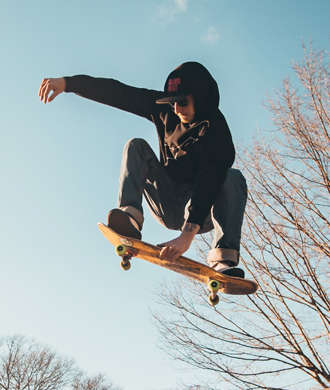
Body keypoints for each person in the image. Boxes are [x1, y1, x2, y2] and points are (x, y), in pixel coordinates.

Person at [39, 62, 247, 277]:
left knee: (232, 178)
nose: (176, 109)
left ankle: (223, 261)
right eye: (172, 102)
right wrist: (69, 83)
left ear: (201, 96)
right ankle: (131, 217)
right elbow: (120, 93)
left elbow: (209, 183)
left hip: (198, 208)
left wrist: (186, 236)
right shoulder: (165, 111)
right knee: (136, 145)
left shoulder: (216, 131)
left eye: (182, 102)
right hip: (165, 200)